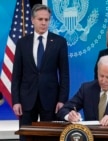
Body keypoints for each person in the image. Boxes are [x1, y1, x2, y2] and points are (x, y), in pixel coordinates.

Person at [11, 3, 69, 137]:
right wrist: (16, 101)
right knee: (26, 136)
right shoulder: (22, 43)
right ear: (32, 20)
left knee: (50, 136)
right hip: (26, 99)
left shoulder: (60, 42)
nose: (43, 23)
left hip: (51, 100)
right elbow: (16, 75)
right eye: (40, 19)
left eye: (46, 20)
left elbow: (64, 74)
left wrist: (62, 100)